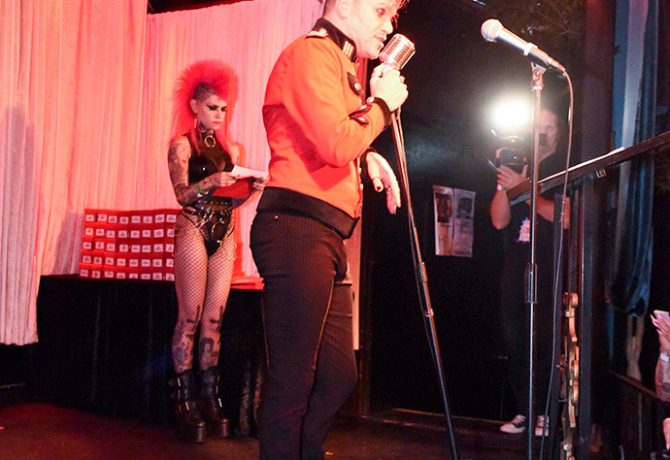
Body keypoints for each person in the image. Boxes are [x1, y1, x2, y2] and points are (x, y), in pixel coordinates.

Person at [250, 0, 408, 457]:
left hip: (326, 233)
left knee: (338, 374)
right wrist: (382, 105)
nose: (388, 25)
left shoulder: (340, 62)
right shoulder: (312, 53)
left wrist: (368, 155)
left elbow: (333, 136)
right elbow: (336, 143)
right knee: (292, 379)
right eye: (380, 11)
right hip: (297, 227)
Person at [167, 60, 264, 443]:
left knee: (213, 320)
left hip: (225, 230)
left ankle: (209, 395)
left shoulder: (231, 148)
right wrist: (212, 181)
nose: (220, 114)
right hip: (193, 226)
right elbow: (182, 195)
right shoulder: (181, 145)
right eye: (212, 107)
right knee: (190, 317)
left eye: (224, 108)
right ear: (195, 106)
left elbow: (230, 199)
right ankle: (184, 399)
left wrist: (249, 189)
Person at [490, 107, 570, 437]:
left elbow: (564, 216)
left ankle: (548, 413)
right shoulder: (520, 164)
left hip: (549, 268)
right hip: (516, 268)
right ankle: (526, 409)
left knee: (546, 342)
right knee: (516, 340)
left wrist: (524, 190)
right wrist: (504, 183)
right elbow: (498, 220)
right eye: (538, 126)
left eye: (549, 127)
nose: (542, 132)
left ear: (559, 133)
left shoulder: (565, 167)